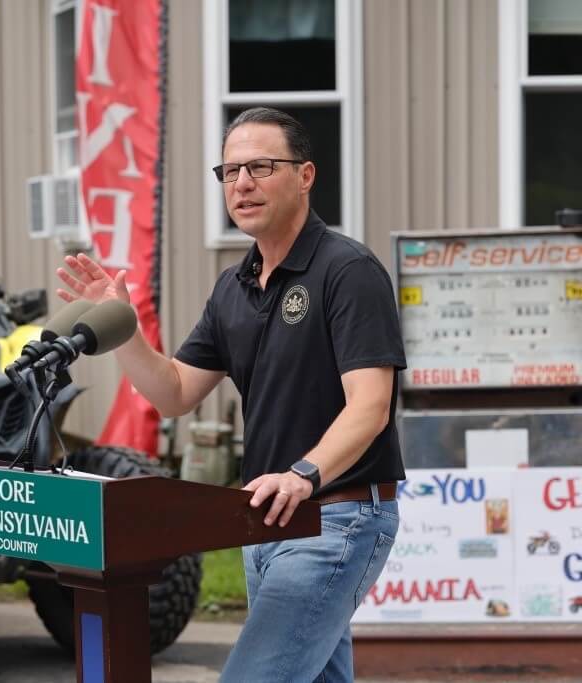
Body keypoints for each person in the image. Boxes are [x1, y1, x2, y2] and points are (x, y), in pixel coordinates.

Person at [56, 106, 405, 682]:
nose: (242, 183)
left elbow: (370, 406)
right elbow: (173, 393)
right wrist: (121, 327)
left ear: (306, 175)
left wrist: (302, 475)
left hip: (335, 518)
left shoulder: (348, 271)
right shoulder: (233, 286)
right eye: (230, 171)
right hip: (264, 523)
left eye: (261, 167)